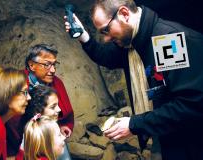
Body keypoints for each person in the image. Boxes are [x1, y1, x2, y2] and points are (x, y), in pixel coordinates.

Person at [64, 0, 203, 159]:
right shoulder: (131, 43)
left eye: (106, 30)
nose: (106, 38)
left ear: (124, 14)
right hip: (167, 134)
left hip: (191, 142)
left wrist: (134, 124)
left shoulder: (167, 41)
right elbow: (107, 57)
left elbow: (192, 104)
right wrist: (84, 37)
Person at [6, 44, 74, 159]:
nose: (53, 70)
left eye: (54, 64)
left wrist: (63, 125)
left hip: (51, 137)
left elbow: (65, 113)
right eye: (47, 65)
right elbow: (12, 122)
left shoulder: (57, 83)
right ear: (32, 65)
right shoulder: (18, 83)